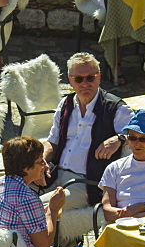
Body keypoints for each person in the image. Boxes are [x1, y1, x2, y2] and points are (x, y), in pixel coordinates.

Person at [44, 52, 134, 210]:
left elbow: (140, 135)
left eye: (90, 78)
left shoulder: (115, 108)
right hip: (54, 174)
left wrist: (120, 139)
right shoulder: (65, 104)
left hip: (86, 184)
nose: (85, 83)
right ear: (70, 80)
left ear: (99, 77)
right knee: (16, 192)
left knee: (35, 207)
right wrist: (42, 161)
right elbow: (53, 142)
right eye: (79, 79)